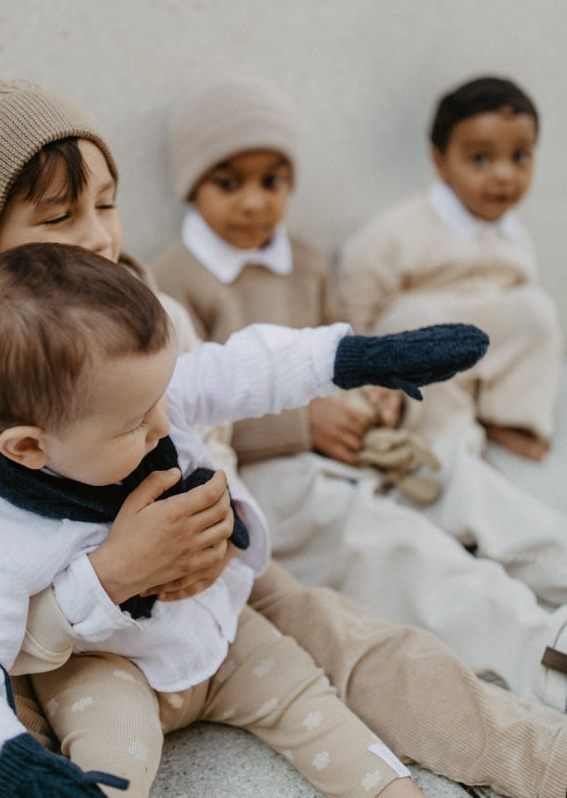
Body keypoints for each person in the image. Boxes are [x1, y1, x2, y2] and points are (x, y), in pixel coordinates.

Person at [0, 79, 567, 798]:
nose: (97, 235)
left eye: (108, 203)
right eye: (59, 215)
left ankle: (539, 754)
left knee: (353, 639)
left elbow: (226, 402)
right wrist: (112, 574)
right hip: (59, 645)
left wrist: (217, 525)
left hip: (208, 585)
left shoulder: (154, 317)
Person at [0, 242, 485, 797]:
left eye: (162, 399)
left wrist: (357, 359)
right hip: (108, 667)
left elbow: (247, 368)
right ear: (29, 448)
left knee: (310, 698)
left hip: (219, 624)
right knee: (109, 762)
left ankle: (393, 789)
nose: (164, 424)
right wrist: (7, 764)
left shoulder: (135, 392)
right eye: (135, 424)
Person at [152, 74, 567, 712]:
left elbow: (341, 349)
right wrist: (304, 427)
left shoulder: (309, 263)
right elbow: (186, 410)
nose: (254, 204)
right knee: (395, 548)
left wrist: (373, 399)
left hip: (349, 445)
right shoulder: (177, 279)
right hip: (272, 474)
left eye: (273, 181)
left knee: (460, 478)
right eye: (228, 182)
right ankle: (541, 653)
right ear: (192, 185)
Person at [337, 75, 564, 462]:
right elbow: (359, 293)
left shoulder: (514, 235)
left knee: (538, 311)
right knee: (423, 331)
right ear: (441, 162)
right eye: (480, 159)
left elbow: (518, 310)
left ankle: (510, 416)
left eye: (520, 157)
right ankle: (449, 438)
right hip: (422, 339)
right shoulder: (400, 231)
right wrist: (361, 367)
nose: (504, 175)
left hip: (481, 342)